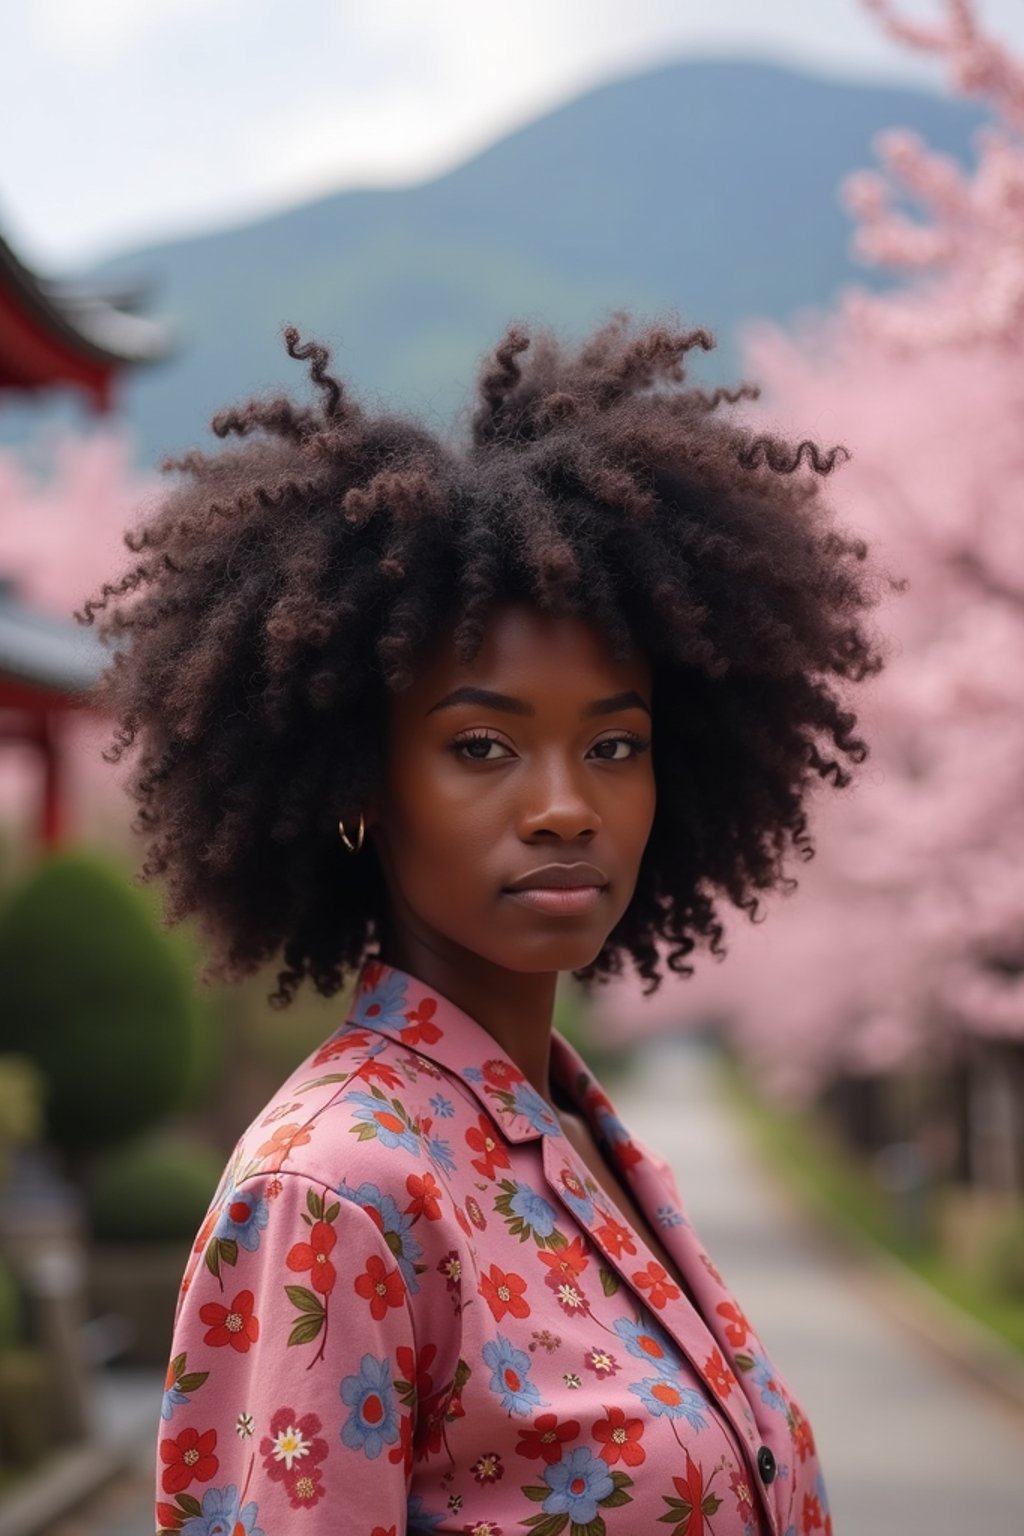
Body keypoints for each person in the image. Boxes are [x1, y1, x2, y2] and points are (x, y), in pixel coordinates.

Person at [82, 316, 883, 1536]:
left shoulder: (589, 1149)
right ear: (358, 782)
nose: (566, 805)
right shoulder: (340, 1190)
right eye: (481, 747)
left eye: (614, 746)